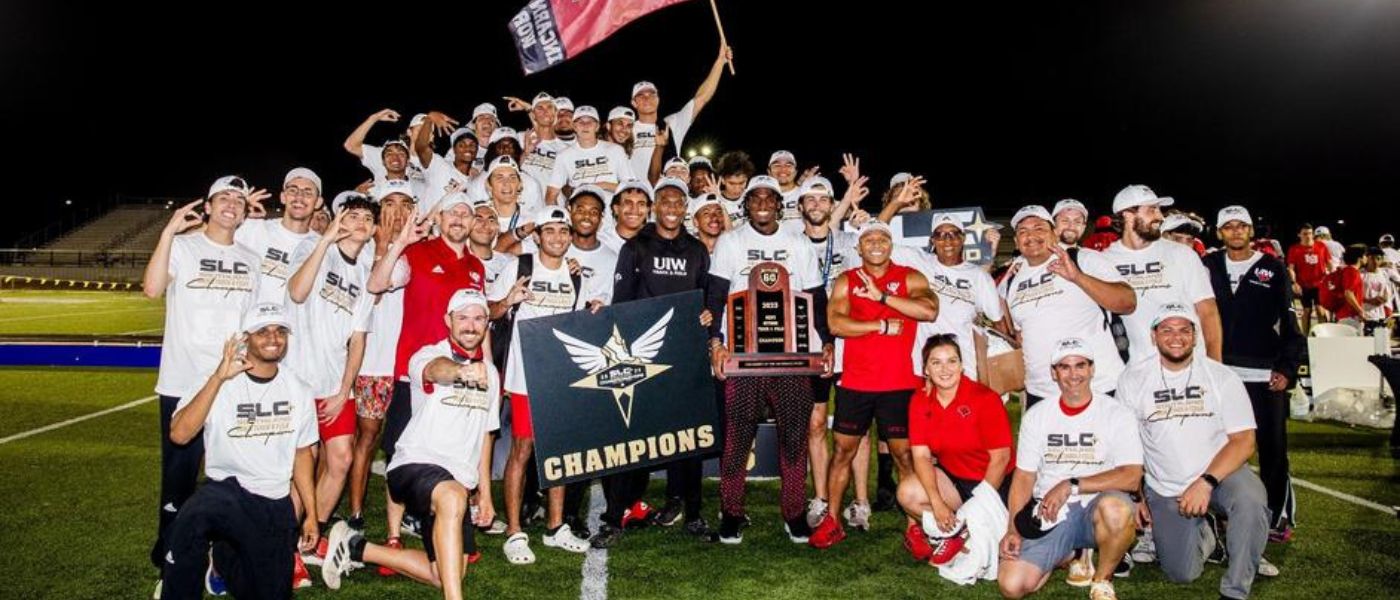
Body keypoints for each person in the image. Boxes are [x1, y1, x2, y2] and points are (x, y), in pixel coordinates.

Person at [321, 290, 498, 600]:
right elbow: (435, 370)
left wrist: (484, 493)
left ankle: (356, 547)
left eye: (479, 318)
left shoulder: (492, 375)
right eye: (463, 318)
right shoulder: (427, 355)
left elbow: (485, 435)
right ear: (448, 321)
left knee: (444, 573)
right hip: (415, 464)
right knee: (454, 497)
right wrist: (460, 370)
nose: (471, 325)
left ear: (487, 324)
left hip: (457, 480)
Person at [143, 176, 264, 595]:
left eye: (239, 200)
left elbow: (252, 323)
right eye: (223, 197)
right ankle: (171, 560)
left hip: (231, 384)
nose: (231, 204)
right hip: (183, 381)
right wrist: (168, 233)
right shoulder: (184, 247)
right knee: (177, 481)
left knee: (228, 477)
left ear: (246, 213)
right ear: (209, 207)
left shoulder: (251, 259)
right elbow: (153, 289)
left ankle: (220, 560)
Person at [590, 177, 719, 547]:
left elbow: (704, 297)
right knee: (635, 441)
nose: (673, 208)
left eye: (679, 203)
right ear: (655, 208)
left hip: (685, 357)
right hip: (643, 359)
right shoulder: (636, 247)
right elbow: (622, 302)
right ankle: (615, 517)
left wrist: (707, 315)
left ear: (685, 209)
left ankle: (693, 514)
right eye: (665, 202)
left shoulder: (696, 249)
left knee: (690, 441)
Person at [707, 175, 834, 544]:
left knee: (794, 437)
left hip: (791, 357)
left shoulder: (799, 243)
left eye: (770, 198)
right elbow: (715, 295)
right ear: (746, 205)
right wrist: (715, 342)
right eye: (755, 198)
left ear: (780, 205)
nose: (762, 203)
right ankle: (731, 513)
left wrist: (826, 341)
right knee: (738, 437)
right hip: (744, 356)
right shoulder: (731, 242)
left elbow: (816, 297)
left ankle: (794, 514)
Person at [1117, 303, 1275, 598]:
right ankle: (1209, 535)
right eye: (1167, 330)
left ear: (1195, 336)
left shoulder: (1221, 377)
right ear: (1153, 336)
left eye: (1184, 330)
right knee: (1181, 573)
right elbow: (1127, 445)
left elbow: (1243, 441)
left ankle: (1236, 589)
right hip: (1166, 486)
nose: (1176, 337)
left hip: (1220, 475)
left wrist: (1206, 482)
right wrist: (1136, 495)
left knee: (1251, 500)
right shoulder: (1132, 379)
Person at [162, 303, 317, 600]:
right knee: (190, 519)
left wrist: (311, 512)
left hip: (273, 501)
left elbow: (302, 454)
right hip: (227, 491)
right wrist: (219, 379)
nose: (273, 337)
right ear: (246, 337)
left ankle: (222, 557)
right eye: (263, 331)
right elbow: (179, 435)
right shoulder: (218, 380)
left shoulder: (298, 389)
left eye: (280, 330)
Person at [810, 221, 939, 549]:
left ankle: (915, 527)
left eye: (883, 238)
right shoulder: (847, 280)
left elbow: (928, 310)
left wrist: (883, 296)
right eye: (869, 239)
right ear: (859, 247)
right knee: (842, 452)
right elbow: (835, 324)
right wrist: (879, 325)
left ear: (891, 245)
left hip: (898, 384)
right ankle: (833, 521)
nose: (877, 244)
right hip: (856, 382)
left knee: (905, 456)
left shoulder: (909, 276)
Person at [490, 207, 607, 563]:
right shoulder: (518, 266)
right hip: (525, 376)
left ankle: (556, 527)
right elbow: (490, 310)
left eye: (563, 231)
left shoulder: (576, 276)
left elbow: (576, 324)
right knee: (522, 451)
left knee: (558, 451)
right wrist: (508, 300)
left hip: (560, 376)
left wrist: (594, 310)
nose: (557, 237)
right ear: (537, 235)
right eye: (550, 230)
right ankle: (514, 530)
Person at [997, 338, 1143, 600]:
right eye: (1064, 367)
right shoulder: (1038, 415)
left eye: (1080, 365)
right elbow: (1023, 477)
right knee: (1012, 586)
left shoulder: (1117, 413)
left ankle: (1102, 580)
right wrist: (1012, 529)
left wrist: (1072, 484)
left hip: (1097, 505)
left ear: (1092, 369)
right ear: (1054, 373)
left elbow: (1132, 476)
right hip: (1051, 511)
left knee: (1117, 509)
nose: (1073, 374)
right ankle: (1072, 552)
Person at [285, 195, 378, 562]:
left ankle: (313, 531)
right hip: (297, 378)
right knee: (300, 466)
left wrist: (345, 389)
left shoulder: (365, 272)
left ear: (372, 230)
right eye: (351, 215)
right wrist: (324, 240)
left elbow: (358, 337)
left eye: (366, 218)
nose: (358, 222)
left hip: (333, 384)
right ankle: (283, 541)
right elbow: (296, 291)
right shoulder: (313, 246)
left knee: (340, 459)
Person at [1204, 206, 1304, 544]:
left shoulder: (1272, 268)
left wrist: (1287, 369)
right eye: (1228, 227)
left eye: (1241, 226)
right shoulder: (1208, 266)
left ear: (1251, 231)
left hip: (1264, 374)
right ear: (1219, 233)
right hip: (1219, 372)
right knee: (1215, 447)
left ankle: (1277, 515)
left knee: (1272, 449)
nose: (1235, 232)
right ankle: (1218, 515)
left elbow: (1292, 324)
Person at [1000, 205, 1136, 407]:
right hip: (1041, 393)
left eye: (1039, 228)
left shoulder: (1084, 259)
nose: (1031, 235)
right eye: (1023, 231)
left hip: (1098, 387)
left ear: (1054, 233)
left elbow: (1127, 302)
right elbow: (1019, 335)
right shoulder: (1011, 280)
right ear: (1016, 242)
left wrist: (1077, 277)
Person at [898, 335, 1014, 560]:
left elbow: (1000, 458)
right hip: (956, 480)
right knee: (907, 493)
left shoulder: (985, 398)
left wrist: (980, 506)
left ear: (962, 366)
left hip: (997, 482)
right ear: (926, 370)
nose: (945, 369)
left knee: (1001, 550)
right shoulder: (920, 400)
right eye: (936, 362)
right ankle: (956, 531)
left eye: (952, 361)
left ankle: (965, 530)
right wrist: (937, 502)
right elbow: (921, 456)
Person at [1099, 185, 1221, 365]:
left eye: (1159, 210)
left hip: (1191, 366)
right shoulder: (1105, 261)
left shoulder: (1183, 254)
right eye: (1151, 210)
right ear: (1127, 214)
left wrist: (1215, 365)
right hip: (1136, 371)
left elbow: (1208, 312)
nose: (1160, 216)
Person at [626, 43, 733, 178]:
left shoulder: (671, 124)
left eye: (651, 94)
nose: (647, 99)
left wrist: (720, 62)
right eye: (641, 96)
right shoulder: (626, 129)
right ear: (633, 103)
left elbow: (701, 98)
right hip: (635, 195)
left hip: (667, 193)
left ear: (658, 99)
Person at [236, 167, 323, 305]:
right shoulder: (254, 228)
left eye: (308, 193)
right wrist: (236, 213)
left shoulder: (322, 246)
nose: (299, 197)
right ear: (283, 197)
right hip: (251, 323)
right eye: (293, 190)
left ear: (318, 202)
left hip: (292, 325)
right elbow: (205, 240)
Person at [1286, 223, 1333, 333]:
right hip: (1304, 285)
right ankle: (1305, 337)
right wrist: (1294, 283)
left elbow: (1329, 263)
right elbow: (1291, 268)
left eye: (1310, 233)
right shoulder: (1295, 249)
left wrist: (1331, 278)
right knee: (1306, 310)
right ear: (1299, 235)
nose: (1308, 236)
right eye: (1305, 234)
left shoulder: (1321, 246)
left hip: (1320, 284)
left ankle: (1324, 335)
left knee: (1320, 311)